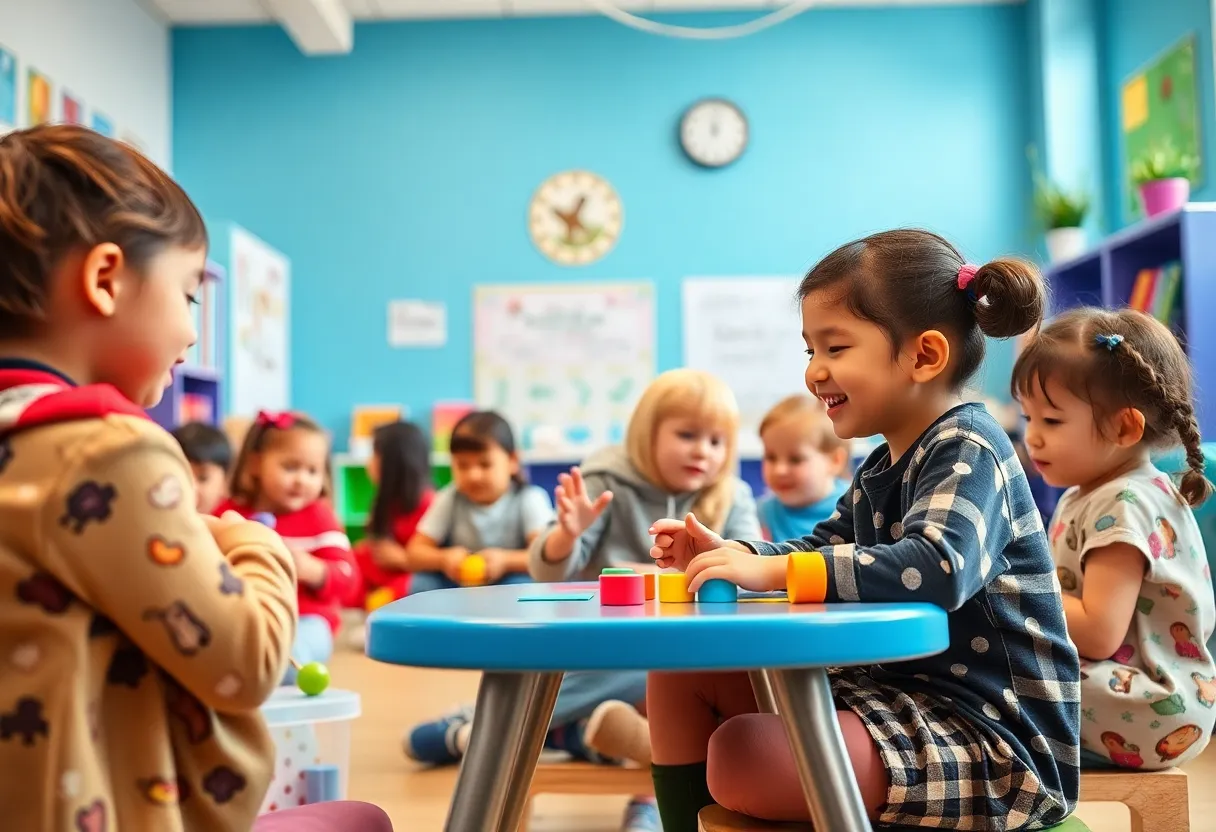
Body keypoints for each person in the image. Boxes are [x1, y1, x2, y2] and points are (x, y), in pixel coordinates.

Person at [0, 123, 390, 831]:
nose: (189, 333)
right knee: (361, 821)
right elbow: (245, 662)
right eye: (188, 296)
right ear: (105, 279)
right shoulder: (107, 455)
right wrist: (258, 547)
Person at [647, 230, 1080, 831]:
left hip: (994, 744)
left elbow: (939, 567)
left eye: (835, 348)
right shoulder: (882, 465)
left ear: (924, 356)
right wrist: (737, 553)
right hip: (894, 707)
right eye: (809, 352)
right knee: (679, 673)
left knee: (742, 756)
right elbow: (822, 548)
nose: (814, 373)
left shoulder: (973, 447)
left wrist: (772, 571)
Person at [407, 369, 761, 832]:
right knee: (649, 677)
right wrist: (566, 535)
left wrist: (728, 560)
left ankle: (526, 732)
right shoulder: (605, 481)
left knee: (693, 689)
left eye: (716, 441)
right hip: (606, 647)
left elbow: (753, 565)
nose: (702, 450)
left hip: (690, 649)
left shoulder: (732, 495)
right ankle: (492, 727)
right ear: (647, 434)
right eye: (687, 435)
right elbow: (547, 568)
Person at [1014, 306, 1216, 770]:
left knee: (990, 662)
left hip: (1150, 706)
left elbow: (1099, 632)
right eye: (1029, 419)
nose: (1033, 439)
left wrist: (1015, 588)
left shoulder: (1123, 502)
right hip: (1138, 699)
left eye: (1053, 421)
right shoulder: (1093, 493)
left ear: (1124, 427)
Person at [216, 410, 360, 682]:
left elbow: (350, 580)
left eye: (313, 471)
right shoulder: (229, 513)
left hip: (308, 621)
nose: (301, 480)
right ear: (256, 463)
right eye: (290, 467)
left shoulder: (320, 517)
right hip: (244, 620)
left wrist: (313, 569)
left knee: (285, 661)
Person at [404, 410, 550, 593]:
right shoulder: (450, 497)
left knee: (526, 584)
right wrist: (443, 559)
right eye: (462, 465)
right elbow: (414, 553)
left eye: (485, 464)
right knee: (422, 583)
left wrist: (506, 561)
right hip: (459, 587)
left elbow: (545, 557)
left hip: (508, 584)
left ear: (513, 461)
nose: (473, 475)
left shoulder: (529, 498)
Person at [352, 420, 435, 607]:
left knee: (416, 585)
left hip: (408, 576)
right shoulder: (386, 501)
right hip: (381, 574)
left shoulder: (429, 504)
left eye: (374, 455)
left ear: (395, 462)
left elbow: (435, 562)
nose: (368, 462)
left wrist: (404, 559)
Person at [756, 393, 850, 541]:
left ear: (835, 461)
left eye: (795, 459)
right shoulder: (761, 514)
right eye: (771, 457)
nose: (779, 470)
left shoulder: (857, 507)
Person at [171, 421, 232, 514]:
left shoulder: (238, 526)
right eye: (181, 475)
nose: (192, 488)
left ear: (225, 483)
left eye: (202, 478)